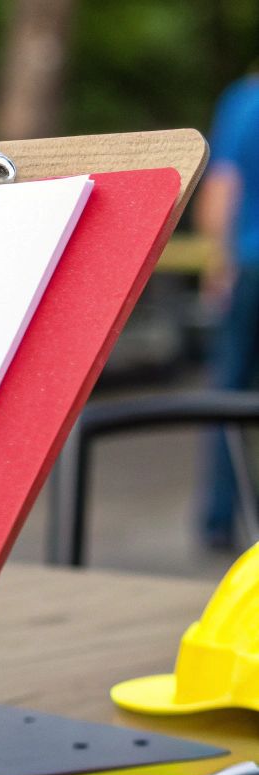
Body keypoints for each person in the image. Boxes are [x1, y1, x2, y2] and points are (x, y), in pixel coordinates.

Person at [198, 72, 259, 549]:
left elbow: (223, 184)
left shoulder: (245, 102)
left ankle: (219, 520)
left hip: (250, 266)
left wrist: (217, 263)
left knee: (229, 395)